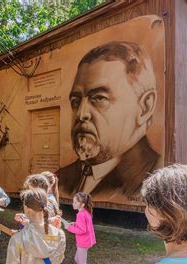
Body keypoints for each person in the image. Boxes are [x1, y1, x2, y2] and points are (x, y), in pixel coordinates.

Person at [57, 41, 160, 199]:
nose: (81, 114)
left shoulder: (153, 182)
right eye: (76, 102)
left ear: (145, 107)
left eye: (99, 98)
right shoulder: (61, 179)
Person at [64, 192, 96, 264]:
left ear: (82, 205)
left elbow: (82, 230)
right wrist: (75, 224)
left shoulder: (81, 214)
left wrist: (69, 227)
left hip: (83, 242)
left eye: (75, 202)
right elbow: (84, 226)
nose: (73, 203)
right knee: (77, 259)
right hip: (86, 241)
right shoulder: (85, 212)